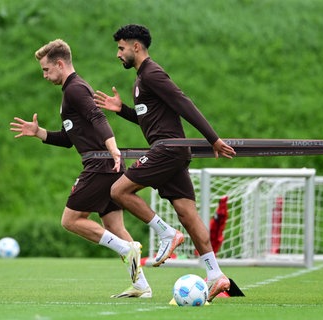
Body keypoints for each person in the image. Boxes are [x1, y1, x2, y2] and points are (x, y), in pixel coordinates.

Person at [93, 24, 237, 302]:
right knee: (188, 214)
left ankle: (166, 234)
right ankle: (215, 275)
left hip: (167, 150)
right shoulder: (141, 79)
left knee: (118, 191)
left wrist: (213, 139)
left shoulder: (152, 73)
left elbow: (184, 103)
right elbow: (149, 119)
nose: (117, 54)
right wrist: (121, 110)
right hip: (171, 152)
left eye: (121, 48)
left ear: (136, 47)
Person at [10, 39, 151, 298]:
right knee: (114, 227)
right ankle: (141, 285)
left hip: (100, 165)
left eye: (46, 69)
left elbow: (98, 117)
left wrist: (112, 148)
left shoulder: (75, 89)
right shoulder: (71, 91)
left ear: (60, 64)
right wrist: (39, 132)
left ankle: (125, 249)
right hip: (107, 164)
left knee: (71, 220)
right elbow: (68, 139)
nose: (44, 75)